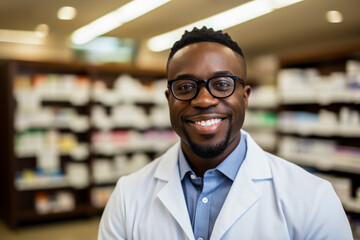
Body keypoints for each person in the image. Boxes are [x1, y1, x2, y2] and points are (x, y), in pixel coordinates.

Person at [98, 27, 353, 240]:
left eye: (221, 85)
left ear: (245, 97)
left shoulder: (312, 199)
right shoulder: (127, 196)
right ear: (169, 100)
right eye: (185, 87)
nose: (204, 100)